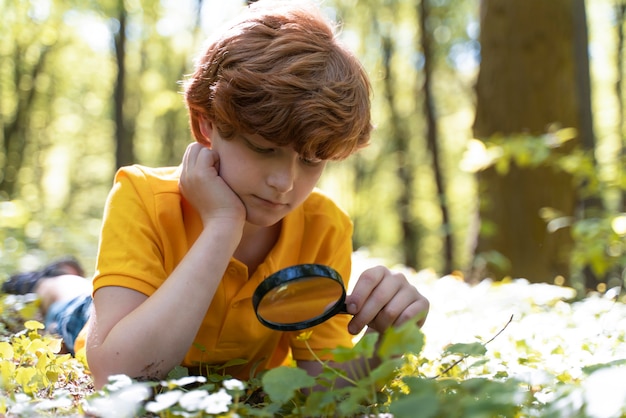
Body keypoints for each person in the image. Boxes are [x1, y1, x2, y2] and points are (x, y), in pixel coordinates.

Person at [3, 0, 429, 389]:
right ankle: (55, 280)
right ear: (207, 124)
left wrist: (389, 344)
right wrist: (223, 224)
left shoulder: (324, 227)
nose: (284, 182)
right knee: (69, 299)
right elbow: (116, 372)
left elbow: (324, 382)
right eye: (264, 149)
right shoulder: (142, 194)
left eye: (312, 160)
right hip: (107, 322)